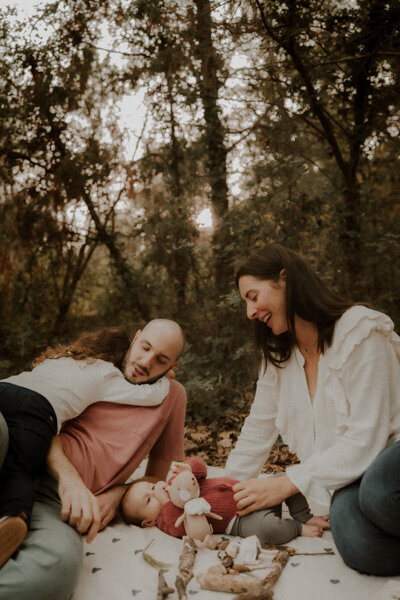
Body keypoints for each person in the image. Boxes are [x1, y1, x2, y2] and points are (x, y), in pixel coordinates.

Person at [224, 243, 400, 576]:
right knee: (353, 538)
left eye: (252, 296)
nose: (249, 312)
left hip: (390, 455)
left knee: (377, 493)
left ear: (284, 280)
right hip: (358, 473)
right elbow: (257, 431)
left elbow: (368, 438)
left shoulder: (360, 331)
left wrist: (287, 483)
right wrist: (221, 495)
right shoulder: (279, 356)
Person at [0, 318, 186, 600]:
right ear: (135, 338)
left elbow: (158, 479)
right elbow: (38, 416)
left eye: (161, 360)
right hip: (15, 449)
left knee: (57, 567)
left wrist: (116, 494)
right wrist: (69, 478)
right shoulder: (95, 367)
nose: (146, 362)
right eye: (145, 347)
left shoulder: (173, 397)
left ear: (172, 367)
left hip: (54, 502)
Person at [121, 457, 329, 545]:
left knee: (286, 480)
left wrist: (189, 468)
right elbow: (181, 529)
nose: (155, 492)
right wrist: (167, 502)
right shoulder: (165, 521)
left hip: (249, 491)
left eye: (150, 488)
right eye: (148, 500)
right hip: (239, 521)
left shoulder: (176, 482)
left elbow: (202, 470)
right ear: (148, 522)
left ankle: (305, 516)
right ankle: (297, 527)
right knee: (268, 530)